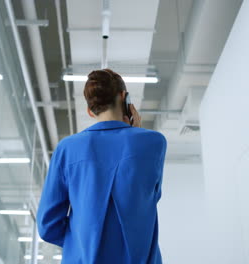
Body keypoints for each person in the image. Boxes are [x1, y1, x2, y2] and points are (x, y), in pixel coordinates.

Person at [36, 69, 167, 264]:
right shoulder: (154, 143)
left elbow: (47, 225)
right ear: (124, 98)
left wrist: (82, 243)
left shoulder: (67, 148)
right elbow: (149, 197)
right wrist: (136, 132)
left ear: (90, 110)